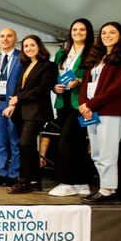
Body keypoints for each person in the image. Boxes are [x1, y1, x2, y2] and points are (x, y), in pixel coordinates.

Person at [79, 21, 121, 204]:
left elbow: (119, 87)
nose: (107, 36)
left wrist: (91, 104)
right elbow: (85, 84)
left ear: (120, 35)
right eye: (104, 33)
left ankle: (108, 190)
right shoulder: (96, 57)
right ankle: (104, 187)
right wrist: (83, 105)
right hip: (91, 112)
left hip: (110, 111)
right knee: (96, 153)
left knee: (107, 152)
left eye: (112, 32)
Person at [3, 35, 57, 194]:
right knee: (29, 146)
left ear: (39, 46)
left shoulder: (49, 66)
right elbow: (18, 87)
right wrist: (12, 104)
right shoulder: (26, 65)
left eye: (32, 45)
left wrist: (18, 98)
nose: (29, 49)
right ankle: (35, 181)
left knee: (24, 144)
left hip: (37, 112)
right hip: (21, 113)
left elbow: (42, 89)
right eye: (26, 46)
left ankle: (24, 181)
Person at [49, 19, 95, 197]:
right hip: (63, 102)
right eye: (75, 29)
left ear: (88, 32)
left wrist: (80, 80)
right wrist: (55, 86)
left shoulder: (93, 52)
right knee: (77, 142)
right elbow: (55, 76)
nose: (78, 32)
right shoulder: (61, 53)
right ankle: (82, 181)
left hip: (82, 103)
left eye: (82, 29)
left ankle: (66, 182)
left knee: (68, 140)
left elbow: (96, 76)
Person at [0, 28, 23, 187]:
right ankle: (1, 173)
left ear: (16, 39)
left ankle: (14, 174)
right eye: (2, 36)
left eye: (9, 36)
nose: (5, 39)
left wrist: (16, 101)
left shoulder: (22, 58)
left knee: (15, 140)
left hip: (13, 104)